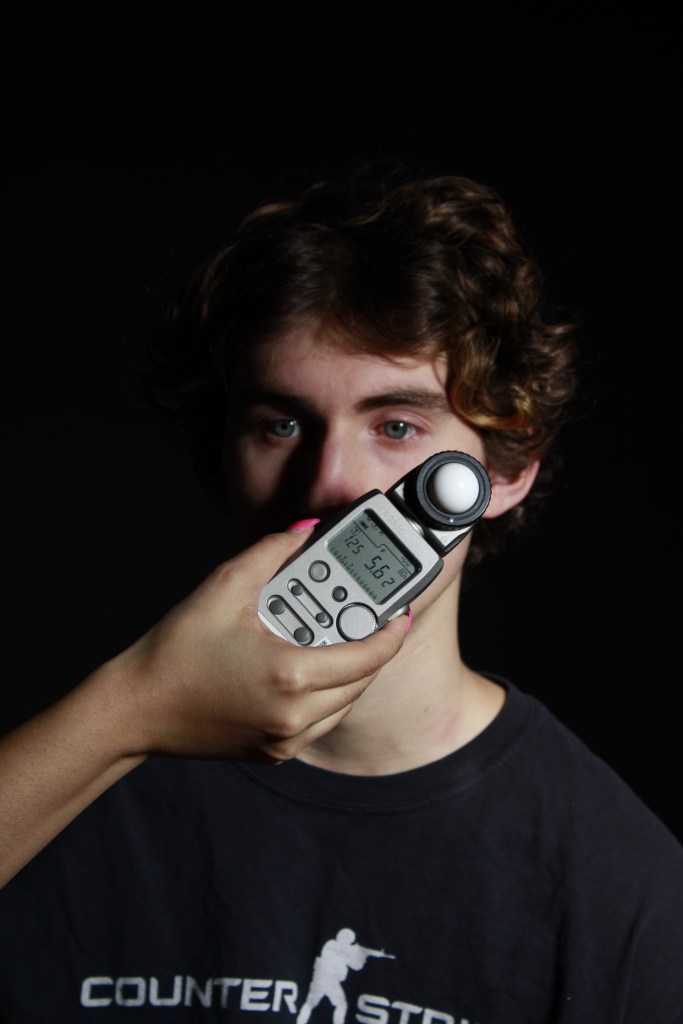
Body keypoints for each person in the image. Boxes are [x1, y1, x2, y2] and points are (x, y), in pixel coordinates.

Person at [1, 165, 682, 1023]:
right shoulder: (70, 776)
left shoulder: (623, 890)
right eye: (281, 424)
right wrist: (128, 710)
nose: (332, 484)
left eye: (396, 426)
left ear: (505, 471)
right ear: (219, 458)